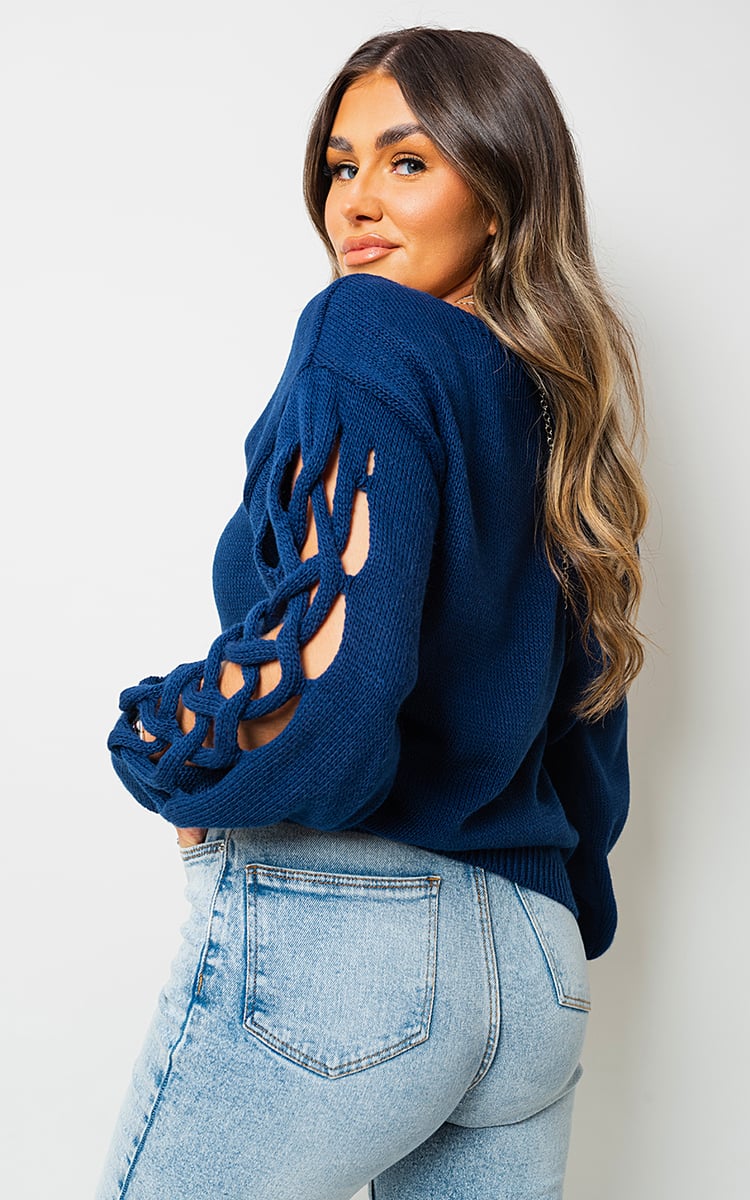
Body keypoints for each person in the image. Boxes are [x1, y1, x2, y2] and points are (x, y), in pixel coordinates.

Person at [97, 25, 648, 1200]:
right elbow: (589, 740)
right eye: (341, 165)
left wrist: (172, 750)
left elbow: (335, 688)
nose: (356, 201)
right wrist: (551, 916)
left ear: (497, 193)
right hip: (535, 968)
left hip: (350, 943)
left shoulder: (364, 331)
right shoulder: (564, 413)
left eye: (407, 162)